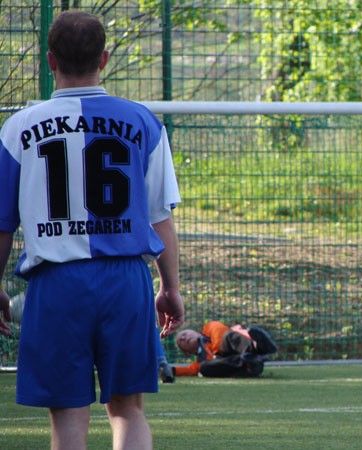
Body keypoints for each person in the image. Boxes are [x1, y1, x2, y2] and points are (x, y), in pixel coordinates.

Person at [0, 11, 184, 450]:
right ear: (104, 59)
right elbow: (160, 217)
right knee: (128, 409)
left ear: (50, 60)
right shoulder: (143, 122)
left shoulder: (19, 128)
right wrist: (170, 287)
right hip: (125, 281)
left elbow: (2, 225)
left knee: (67, 417)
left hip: (56, 285)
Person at [173, 321, 277, 378]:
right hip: (245, 366)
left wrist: (215, 354)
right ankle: (251, 361)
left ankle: (260, 346)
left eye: (184, 334)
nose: (184, 338)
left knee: (228, 337)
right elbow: (187, 370)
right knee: (204, 368)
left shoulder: (208, 328)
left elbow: (218, 330)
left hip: (234, 347)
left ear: (195, 332)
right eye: (181, 341)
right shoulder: (200, 361)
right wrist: (169, 370)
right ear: (187, 352)